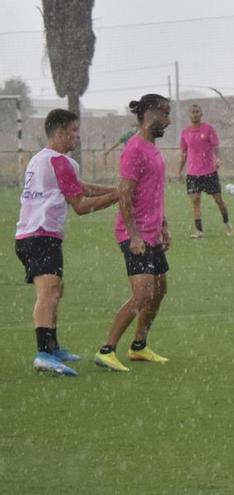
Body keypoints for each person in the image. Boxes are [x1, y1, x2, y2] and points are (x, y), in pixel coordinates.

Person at [15, 109, 118, 376]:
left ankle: (52, 347)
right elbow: (81, 205)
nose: (77, 136)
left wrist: (118, 189)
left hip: (29, 235)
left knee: (55, 289)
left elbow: (79, 185)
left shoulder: (40, 159)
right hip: (41, 234)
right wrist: (118, 197)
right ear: (59, 132)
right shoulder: (61, 161)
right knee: (48, 291)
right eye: (73, 130)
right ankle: (43, 354)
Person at [95, 94, 173, 372]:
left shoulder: (153, 147)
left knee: (160, 290)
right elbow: (125, 196)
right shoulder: (135, 149)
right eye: (165, 114)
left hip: (153, 232)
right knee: (141, 295)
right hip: (135, 236)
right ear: (150, 114)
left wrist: (163, 224)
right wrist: (134, 235)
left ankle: (139, 346)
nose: (169, 120)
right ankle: (106, 350)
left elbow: (153, 192)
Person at [179, 104, 232, 237]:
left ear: (201, 114)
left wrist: (217, 158)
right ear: (189, 115)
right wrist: (179, 171)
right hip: (192, 173)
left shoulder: (208, 129)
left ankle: (227, 222)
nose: (195, 114)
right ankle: (199, 231)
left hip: (209, 172)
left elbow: (215, 147)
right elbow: (184, 153)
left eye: (197, 112)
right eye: (192, 112)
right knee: (195, 200)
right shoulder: (185, 132)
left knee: (218, 200)